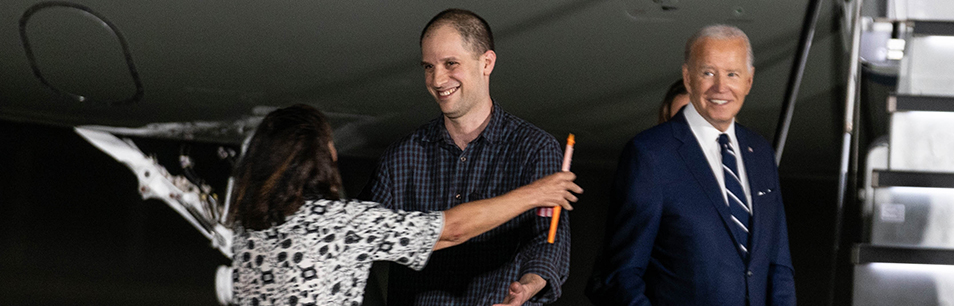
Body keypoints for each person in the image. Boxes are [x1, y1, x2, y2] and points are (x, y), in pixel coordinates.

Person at [228, 104, 582, 306]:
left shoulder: (248, 232)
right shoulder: (341, 223)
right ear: (314, 157)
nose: (335, 153)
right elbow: (452, 230)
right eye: (329, 144)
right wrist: (535, 194)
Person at [363, 8, 570, 306]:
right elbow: (367, 239)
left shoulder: (535, 148)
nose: (436, 79)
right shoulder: (402, 156)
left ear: (486, 63)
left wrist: (528, 286)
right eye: (428, 67)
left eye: (450, 64)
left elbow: (548, 239)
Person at [586, 25, 796, 305]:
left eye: (732, 74)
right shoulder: (650, 153)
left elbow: (778, 264)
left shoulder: (759, 152)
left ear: (749, 80)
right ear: (688, 78)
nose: (721, 87)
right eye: (708, 73)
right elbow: (622, 273)